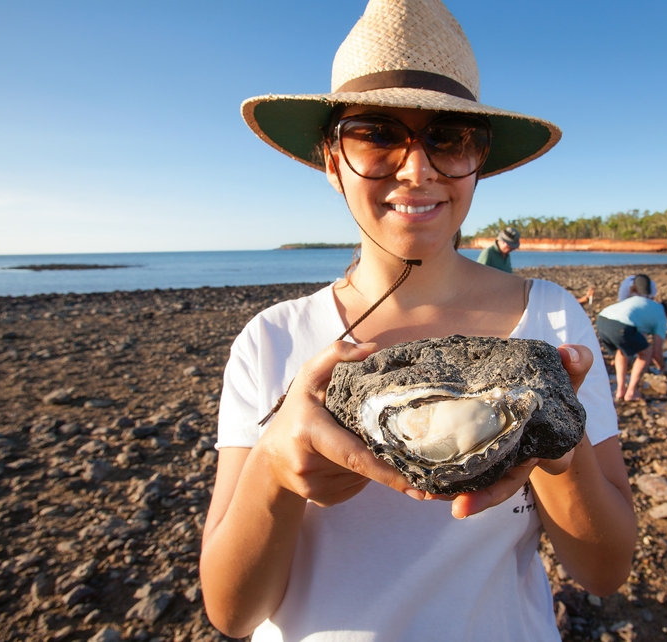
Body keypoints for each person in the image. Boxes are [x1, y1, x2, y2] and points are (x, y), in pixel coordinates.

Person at [200, 1, 637, 641]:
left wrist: (558, 449)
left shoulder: (548, 320)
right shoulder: (272, 340)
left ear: (478, 160)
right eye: (375, 133)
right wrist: (273, 468)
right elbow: (232, 613)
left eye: (450, 138)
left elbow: (603, 573)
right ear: (331, 159)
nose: (417, 168)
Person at [596, 275, 667, 401]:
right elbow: (656, 352)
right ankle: (631, 392)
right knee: (646, 352)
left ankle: (620, 390)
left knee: (622, 350)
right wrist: (663, 367)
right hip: (621, 325)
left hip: (602, 319)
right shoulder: (661, 316)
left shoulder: (646, 304)